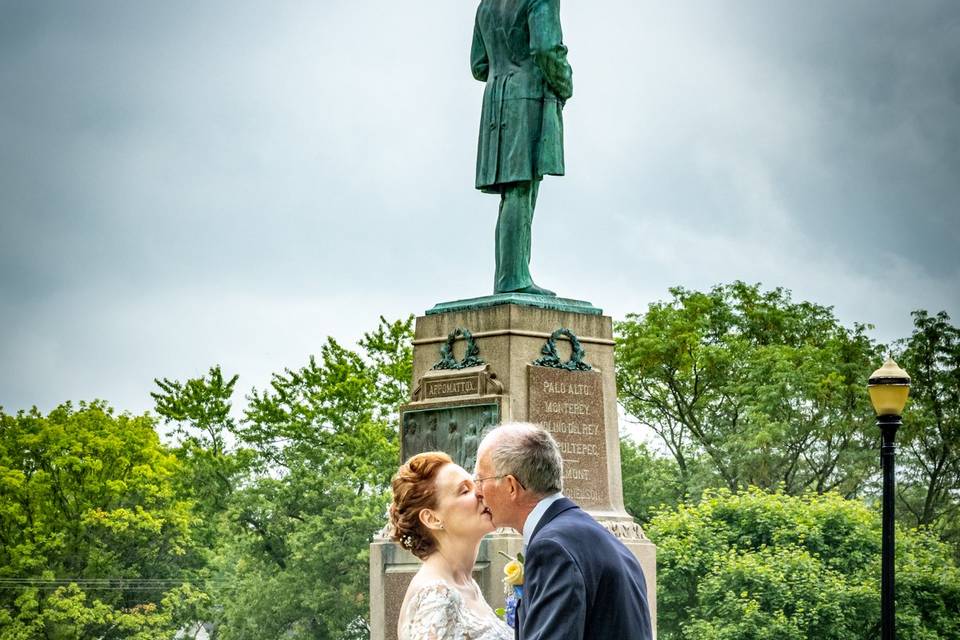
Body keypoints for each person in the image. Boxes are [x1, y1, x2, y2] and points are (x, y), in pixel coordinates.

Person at [474, 423, 653, 640]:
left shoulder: (552, 549)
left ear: (511, 486)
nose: (477, 491)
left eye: (480, 480)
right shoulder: (594, 537)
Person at [471, 0, 573, 296]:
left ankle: (510, 276)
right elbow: (546, 49)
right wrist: (565, 83)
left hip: (495, 96)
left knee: (513, 192)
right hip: (526, 95)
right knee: (520, 189)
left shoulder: (486, 5)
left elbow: (479, 66)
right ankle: (513, 278)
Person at [390, 452, 511, 640]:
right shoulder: (436, 594)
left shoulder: (466, 585)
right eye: (464, 490)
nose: (481, 492)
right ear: (432, 518)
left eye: (476, 483)